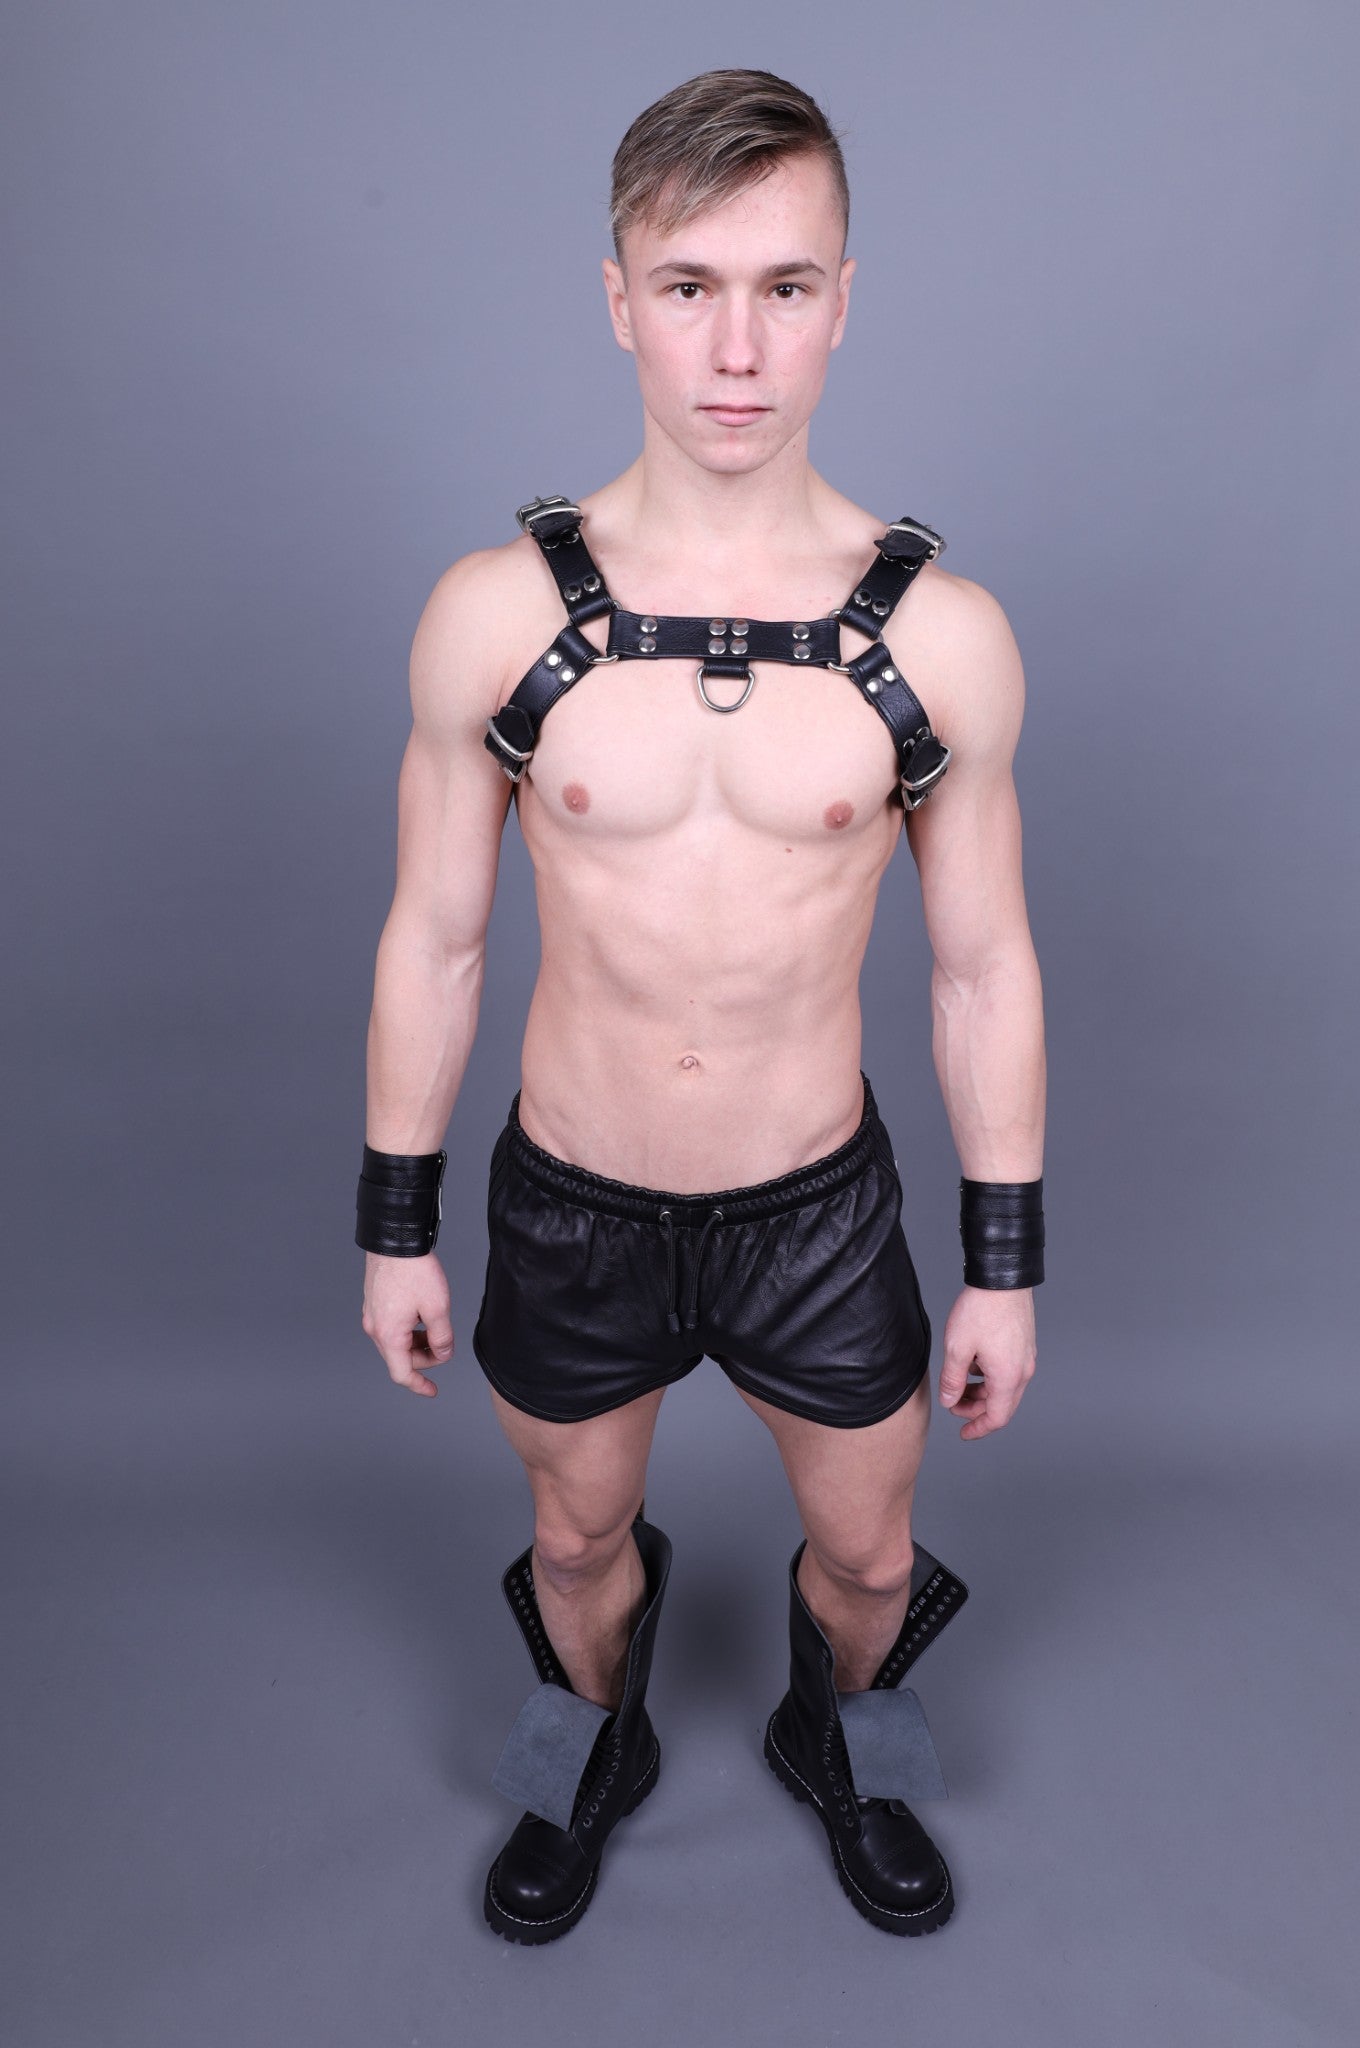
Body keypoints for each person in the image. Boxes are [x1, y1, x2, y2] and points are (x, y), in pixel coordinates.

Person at [356, 67, 1046, 1945]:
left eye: (785, 288)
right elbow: (433, 937)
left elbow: (983, 963)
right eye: (688, 288)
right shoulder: (496, 616)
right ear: (618, 299)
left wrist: (1002, 1268)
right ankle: (592, 1744)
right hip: (573, 1201)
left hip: (814, 1211)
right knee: (576, 1538)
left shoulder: (943, 638)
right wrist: (398, 1223)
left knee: (872, 1557)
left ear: (843, 300)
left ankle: (843, 1741)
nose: (737, 349)